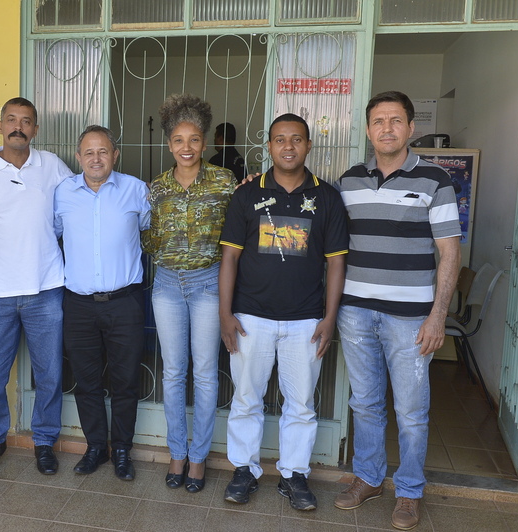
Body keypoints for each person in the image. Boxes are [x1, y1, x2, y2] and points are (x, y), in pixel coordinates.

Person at [334, 91, 460, 531]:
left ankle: (408, 490)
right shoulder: (349, 181)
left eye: (395, 120)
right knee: (365, 402)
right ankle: (369, 478)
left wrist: (438, 315)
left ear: (410, 127)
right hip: (355, 312)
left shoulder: (435, 180)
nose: (386, 128)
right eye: (378, 121)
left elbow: (449, 252)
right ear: (368, 130)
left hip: (411, 318)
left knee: (411, 410)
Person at [218, 113, 349, 511]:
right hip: (250, 317)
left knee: (301, 404)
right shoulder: (247, 194)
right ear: (269, 146)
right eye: (279, 139)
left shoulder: (327, 198)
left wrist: (329, 318)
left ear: (308, 145)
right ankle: (244, 470)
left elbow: (337, 263)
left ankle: (294, 474)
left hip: (306, 319)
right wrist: (226, 314)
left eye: (296, 139)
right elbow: (229, 258)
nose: (288, 146)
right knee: (246, 398)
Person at [0, 97, 73, 477]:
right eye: (11, 120)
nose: (18, 127)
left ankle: (44, 441)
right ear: (0, 125)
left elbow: (78, 204)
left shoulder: (52, 166)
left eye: (26, 121)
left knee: (50, 373)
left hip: (47, 289)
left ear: (35, 129)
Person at [142, 94, 237, 493]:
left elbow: (238, 233)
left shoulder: (224, 182)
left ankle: (198, 457)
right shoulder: (157, 188)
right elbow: (149, 238)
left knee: (205, 371)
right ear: (169, 144)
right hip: (166, 285)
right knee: (174, 371)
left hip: (208, 284)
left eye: (194, 139)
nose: (187, 147)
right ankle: (177, 452)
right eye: (179, 140)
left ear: (204, 142)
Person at [54, 125, 150, 480]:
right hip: (78, 305)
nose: (96, 159)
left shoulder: (136, 190)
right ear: (78, 157)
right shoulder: (62, 193)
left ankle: (122, 449)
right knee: (86, 380)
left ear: (115, 155)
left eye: (103, 151)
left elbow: (151, 232)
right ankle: (96, 446)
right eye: (89, 152)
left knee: (125, 380)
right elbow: (53, 235)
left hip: (125, 302)